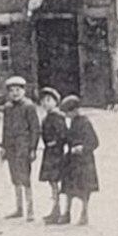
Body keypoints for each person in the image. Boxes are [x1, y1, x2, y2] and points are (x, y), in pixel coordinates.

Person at [0, 75, 42, 220]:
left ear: (23, 91)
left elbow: (35, 129)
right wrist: (4, 147)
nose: (15, 93)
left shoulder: (29, 107)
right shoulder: (7, 107)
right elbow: (5, 129)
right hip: (11, 147)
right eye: (12, 91)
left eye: (18, 90)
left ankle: (30, 210)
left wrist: (33, 148)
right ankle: (19, 208)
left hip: (23, 146)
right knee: (14, 177)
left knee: (25, 177)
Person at [55, 95, 99, 226]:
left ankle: (84, 214)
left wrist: (83, 148)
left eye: (68, 112)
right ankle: (66, 213)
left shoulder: (85, 123)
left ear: (75, 110)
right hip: (72, 160)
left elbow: (94, 142)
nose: (67, 115)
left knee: (84, 189)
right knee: (68, 188)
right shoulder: (73, 122)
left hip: (84, 161)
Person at [37, 88, 68, 223]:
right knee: (52, 182)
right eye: (43, 101)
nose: (45, 103)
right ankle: (55, 210)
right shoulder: (46, 118)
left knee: (57, 182)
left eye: (49, 100)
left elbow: (63, 135)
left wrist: (55, 143)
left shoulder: (58, 117)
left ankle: (60, 211)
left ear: (56, 102)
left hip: (56, 153)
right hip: (49, 153)